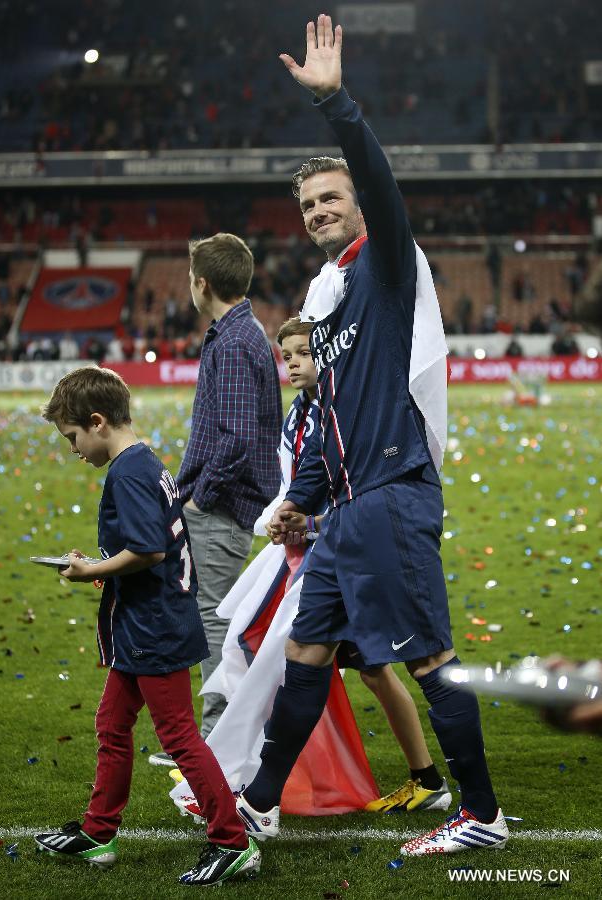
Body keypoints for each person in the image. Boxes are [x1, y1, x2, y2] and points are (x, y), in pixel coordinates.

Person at [232, 14, 508, 857]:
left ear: (358, 205)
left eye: (332, 198)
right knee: (308, 654)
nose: (320, 210)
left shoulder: (386, 268)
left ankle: (482, 816)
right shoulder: (326, 301)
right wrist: (297, 501)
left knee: (427, 658)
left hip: (392, 499)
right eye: (309, 203)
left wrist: (338, 108)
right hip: (344, 515)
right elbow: (331, 424)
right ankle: (262, 801)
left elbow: (384, 194)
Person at [168, 317, 450, 820]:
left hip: (339, 555)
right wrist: (287, 518)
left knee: (267, 646)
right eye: (289, 354)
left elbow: (354, 493)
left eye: (305, 353)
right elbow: (298, 485)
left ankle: (237, 776)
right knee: (364, 668)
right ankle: (424, 779)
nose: (295, 363)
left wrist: (308, 524)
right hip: (316, 551)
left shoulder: (343, 412)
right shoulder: (300, 412)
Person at [34, 367, 260, 886]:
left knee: (179, 737)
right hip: (144, 624)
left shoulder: (127, 472)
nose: (73, 450)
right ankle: (98, 833)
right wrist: (103, 567)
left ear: (97, 422)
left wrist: (94, 569)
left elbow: (148, 549)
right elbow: (144, 549)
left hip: (154, 628)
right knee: (112, 726)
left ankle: (233, 841)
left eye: (73, 438)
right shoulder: (145, 462)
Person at [149, 232, 281, 761]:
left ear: (202, 283)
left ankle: (219, 742)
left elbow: (237, 437)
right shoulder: (242, 332)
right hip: (225, 501)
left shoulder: (231, 342)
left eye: (189, 277)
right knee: (212, 614)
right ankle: (214, 737)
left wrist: (201, 497)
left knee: (216, 619)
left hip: (221, 506)